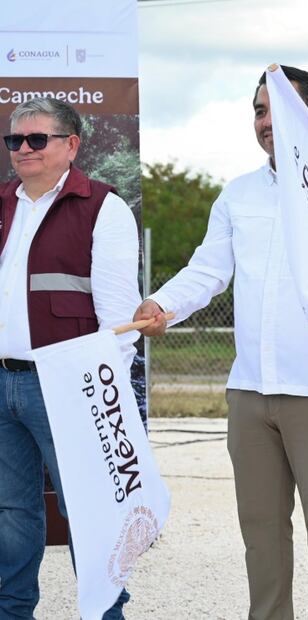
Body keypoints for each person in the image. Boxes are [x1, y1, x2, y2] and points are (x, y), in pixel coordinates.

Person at [133, 66, 308, 620]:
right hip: (250, 393)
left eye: (275, 109)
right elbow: (207, 270)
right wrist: (163, 304)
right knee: (260, 534)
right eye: (258, 111)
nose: (264, 122)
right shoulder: (238, 194)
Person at [0, 98, 139, 618]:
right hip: (2, 382)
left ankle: (107, 612)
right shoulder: (2, 204)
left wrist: (102, 396)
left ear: (71, 145)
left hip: (70, 388)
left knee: (90, 512)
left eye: (38, 139)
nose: (24, 149)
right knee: (12, 512)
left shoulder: (104, 207)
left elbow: (119, 319)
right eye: (15, 141)